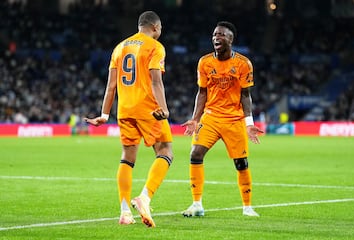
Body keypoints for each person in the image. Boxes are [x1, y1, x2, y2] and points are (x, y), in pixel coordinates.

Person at [84, 11, 173, 228]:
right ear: (155, 27)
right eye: (160, 29)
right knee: (165, 151)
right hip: (148, 109)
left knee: (127, 158)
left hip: (124, 110)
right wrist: (164, 108)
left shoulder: (119, 47)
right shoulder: (155, 46)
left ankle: (124, 212)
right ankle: (145, 197)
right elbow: (156, 81)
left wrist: (104, 115)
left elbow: (111, 86)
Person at [181, 21, 263, 218]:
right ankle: (197, 204)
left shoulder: (243, 64)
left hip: (234, 120)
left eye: (221, 35)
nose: (216, 37)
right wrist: (195, 119)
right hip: (211, 116)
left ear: (231, 40)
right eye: (214, 34)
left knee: (241, 163)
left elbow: (246, 95)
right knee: (195, 154)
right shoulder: (204, 62)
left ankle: (247, 206)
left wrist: (249, 124)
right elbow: (201, 92)